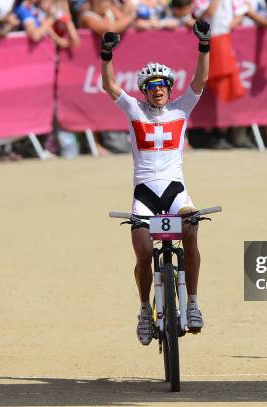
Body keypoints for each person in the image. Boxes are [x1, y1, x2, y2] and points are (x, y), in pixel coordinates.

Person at [100, 20, 211, 345]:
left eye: (163, 84)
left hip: (176, 190)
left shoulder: (181, 109)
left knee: (191, 230)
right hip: (144, 195)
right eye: (152, 85)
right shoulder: (134, 110)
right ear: (144, 90)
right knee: (144, 253)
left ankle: (192, 302)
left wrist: (204, 46)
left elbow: (201, 80)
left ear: (169, 88)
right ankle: (144, 311)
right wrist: (106, 53)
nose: (158, 88)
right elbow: (109, 86)